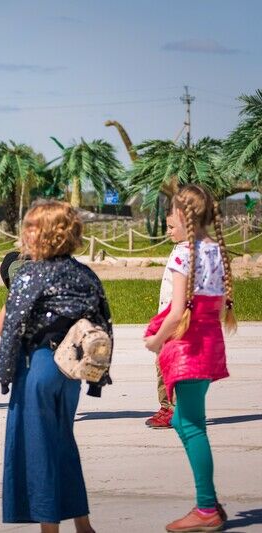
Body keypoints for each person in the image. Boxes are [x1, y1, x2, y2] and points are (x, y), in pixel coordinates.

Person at [0, 200, 111, 533]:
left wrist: (4, 373)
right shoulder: (84, 273)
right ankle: (84, 525)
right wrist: (98, 377)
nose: (26, 232)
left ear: (44, 234)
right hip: (71, 371)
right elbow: (103, 322)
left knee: (38, 448)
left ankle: (50, 530)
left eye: (32, 226)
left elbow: (13, 326)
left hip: (39, 366)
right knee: (63, 443)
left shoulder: (32, 273)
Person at [143, 185, 233, 532]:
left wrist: (156, 340)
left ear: (184, 217)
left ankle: (206, 508)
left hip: (189, 348)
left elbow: (177, 310)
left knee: (192, 426)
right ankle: (208, 498)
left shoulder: (185, 254)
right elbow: (219, 305)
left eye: (172, 213)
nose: (168, 219)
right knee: (183, 420)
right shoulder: (217, 251)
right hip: (210, 345)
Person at [146, 211, 185, 429]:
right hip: (167, 318)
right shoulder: (179, 248)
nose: (168, 231)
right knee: (162, 364)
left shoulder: (189, 253)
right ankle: (166, 407)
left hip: (177, 321)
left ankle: (174, 410)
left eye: (171, 227)